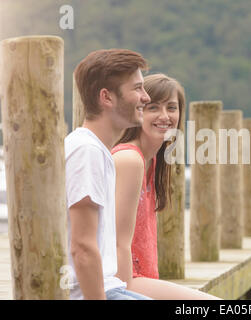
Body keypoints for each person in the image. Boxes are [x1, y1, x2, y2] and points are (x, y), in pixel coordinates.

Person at [112, 73, 220, 299]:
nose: (165, 116)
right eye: (153, 108)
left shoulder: (152, 162)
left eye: (172, 108)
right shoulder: (129, 159)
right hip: (123, 282)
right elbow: (117, 243)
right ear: (138, 110)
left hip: (142, 280)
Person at [64, 49, 152, 300]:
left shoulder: (96, 149)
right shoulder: (86, 151)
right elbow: (82, 247)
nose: (145, 97)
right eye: (137, 88)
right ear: (107, 97)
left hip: (112, 288)